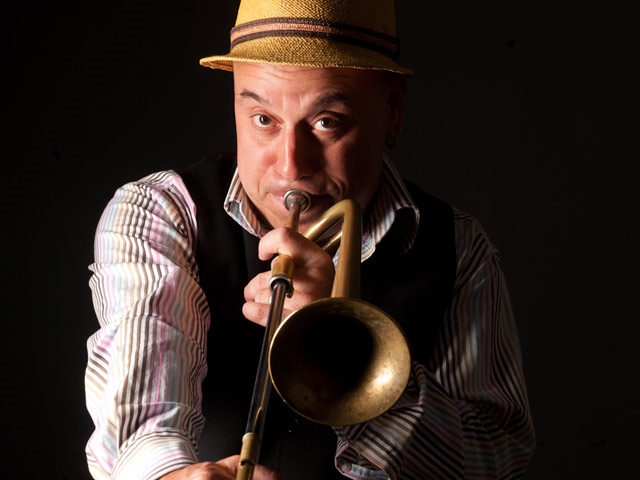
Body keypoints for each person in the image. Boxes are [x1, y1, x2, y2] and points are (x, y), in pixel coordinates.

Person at [84, 0, 535, 479]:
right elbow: (138, 426)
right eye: (264, 119)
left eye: (327, 121)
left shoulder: (459, 247)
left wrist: (346, 357)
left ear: (393, 108)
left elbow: (496, 460)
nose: (291, 166)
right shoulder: (161, 213)